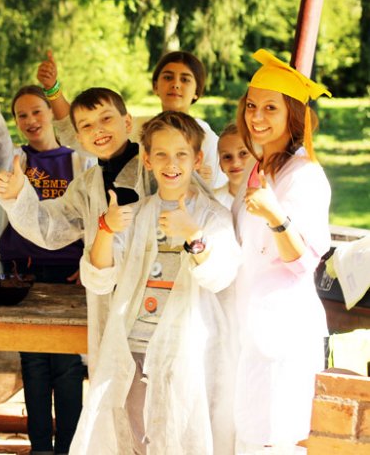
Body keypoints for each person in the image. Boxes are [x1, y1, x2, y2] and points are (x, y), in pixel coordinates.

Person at [69, 111, 240, 454]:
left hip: (186, 351)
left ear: (197, 159)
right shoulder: (137, 214)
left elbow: (220, 275)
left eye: (181, 154)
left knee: (182, 440)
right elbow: (99, 278)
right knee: (136, 440)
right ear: (147, 160)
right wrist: (106, 229)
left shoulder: (212, 216)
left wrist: (193, 235)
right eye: (161, 154)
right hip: (136, 348)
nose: (171, 163)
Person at [0, 46, 93, 455]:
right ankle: (40, 448)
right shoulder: (14, 159)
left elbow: (95, 216)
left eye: (37, 111)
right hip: (21, 274)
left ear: (51, 113)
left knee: (68, 365)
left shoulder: (80, 161)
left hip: (68, 274)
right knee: (34, 364)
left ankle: (69, 449)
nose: (30, 120)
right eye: (21, 115)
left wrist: (90, 263)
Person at [0, 87, 154, 387]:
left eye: (106, 118)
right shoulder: (88, 185)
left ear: (127, 122)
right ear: (78, 137)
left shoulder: (157, 170)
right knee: (116, 398)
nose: (98, 130)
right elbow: (51, 227)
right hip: (109, 312)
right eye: (87, 125)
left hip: (156, 315)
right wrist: (18, 196)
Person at [232, 49, 332, 453]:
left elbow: (305, 261)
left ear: (294, 115)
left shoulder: (305, 176)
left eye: (270, 108)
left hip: (283, 332)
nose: (257, 117)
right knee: (249, 438)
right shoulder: (259, 167)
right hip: (249, 325)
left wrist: (276, 216)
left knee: (275, 442)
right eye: (251, 106)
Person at [151, 50, 228, 190]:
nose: (176, 84)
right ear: (155, 86)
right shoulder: (141, 132)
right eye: (168, 77)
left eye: (185, 79)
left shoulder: (206, 139)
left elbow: (217, 192)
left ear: (197, 91)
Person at [214, 123, 252, 209]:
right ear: (220, 164)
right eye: (227, 157)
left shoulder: (275, 197)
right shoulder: (212, 202)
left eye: (243, 153)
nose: (235, 163)